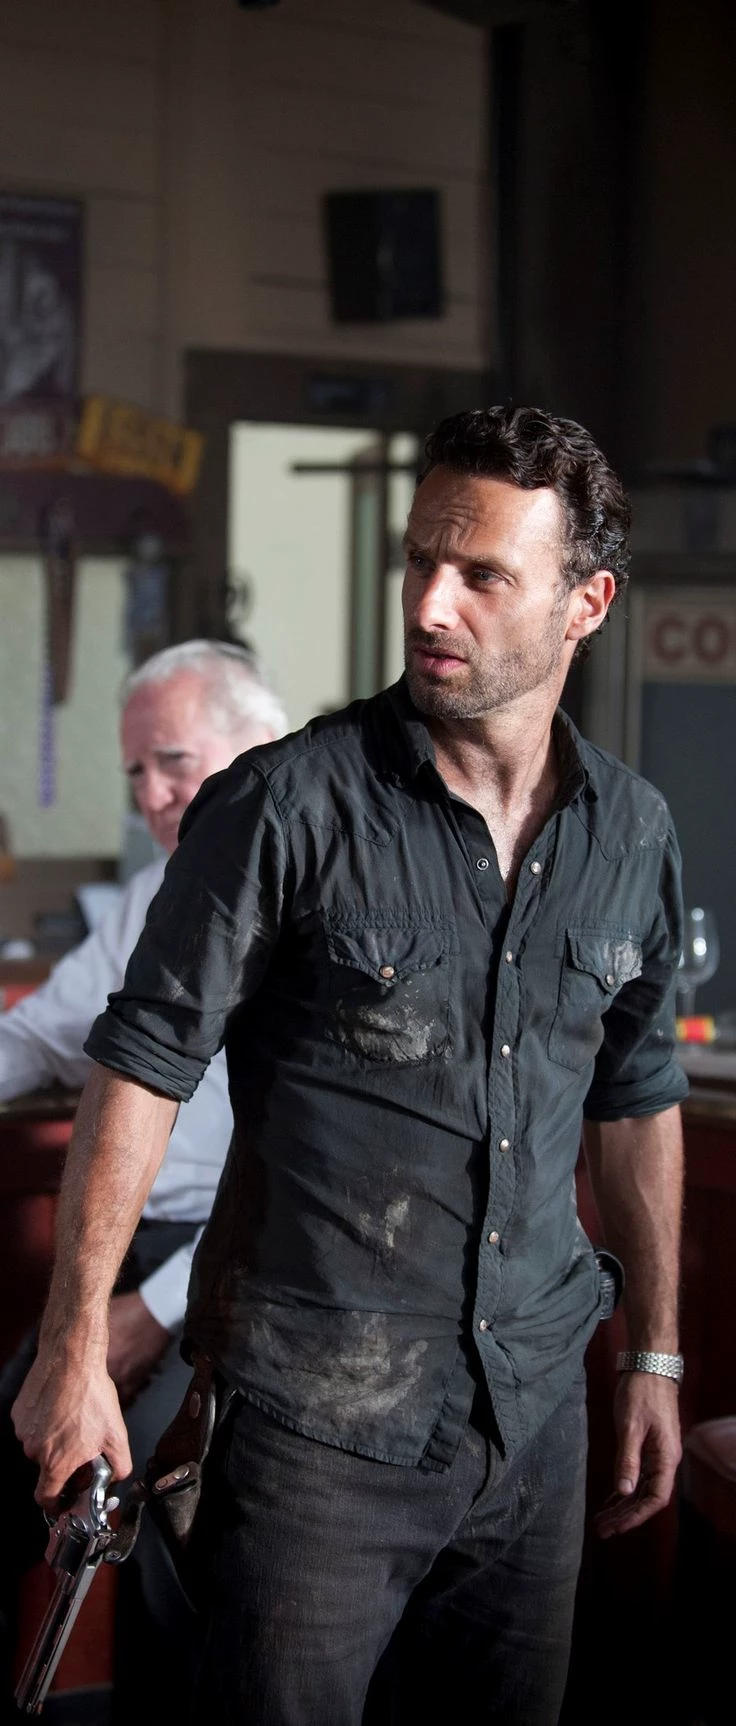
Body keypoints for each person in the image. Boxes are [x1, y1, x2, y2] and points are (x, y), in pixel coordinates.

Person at [13, 407, 688, 1726]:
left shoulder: (634, 833)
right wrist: (72, 1348)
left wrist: (653, 1356)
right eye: (420, 559)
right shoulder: (284, 804)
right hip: (310, 1434)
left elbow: (638, 1093)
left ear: (586, 603)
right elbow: (139, 1066)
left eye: (482, 573)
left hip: (536, 1421)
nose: (430, 602)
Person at [0, 638, 287, 1723]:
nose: (151, 794)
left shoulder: (313, 896)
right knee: (14, 1432)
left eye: (173, 760)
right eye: (135, 771)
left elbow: (299, 1175)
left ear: (261, 747)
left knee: (165, 1485)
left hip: (254, 1270)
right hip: (133, 1245)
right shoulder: (145, 899)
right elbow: (37, 1035)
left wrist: (153, 1312)